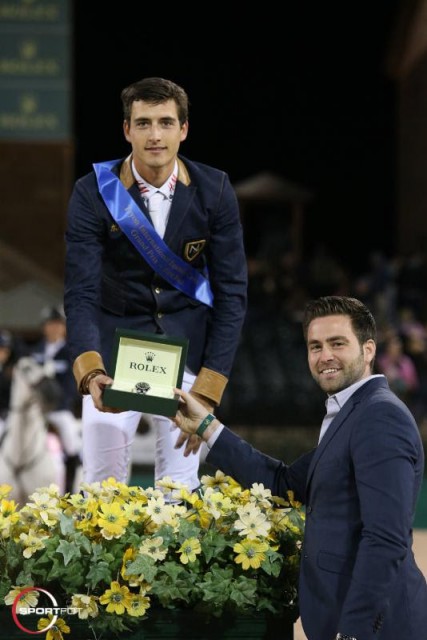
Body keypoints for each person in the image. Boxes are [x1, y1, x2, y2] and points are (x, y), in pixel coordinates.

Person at [172, 296, 427, 640]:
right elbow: (283, 483)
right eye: (315, 346)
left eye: (338, 344)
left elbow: (386, 537)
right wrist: (206, 427)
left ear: (368, 350)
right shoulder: (351, 414)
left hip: (378, 628)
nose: (325, 357)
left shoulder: (380, 416)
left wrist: (354, 631)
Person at [64, 77, 247, 491]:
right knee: (100, 490)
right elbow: (81, 292)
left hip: (186, 356)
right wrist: (91, 373)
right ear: (126, 130)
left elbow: (232, 293)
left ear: (184, 129)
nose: (155, 135)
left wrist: (209, 386)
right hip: (112, 354)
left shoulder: (214, 190)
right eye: (143, 123)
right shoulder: (93, 192)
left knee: (179, 494)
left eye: (166, 122)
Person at [30, 305, 82, 491]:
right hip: (34, 410)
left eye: (57, 324)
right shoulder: (35, 351)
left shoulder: (70, 352)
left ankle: (69, 488)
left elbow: (71, 385)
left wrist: (55, 404)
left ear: (63, 327)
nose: (53, 328)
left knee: (72, 445)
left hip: (59, 409)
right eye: (49, 324)